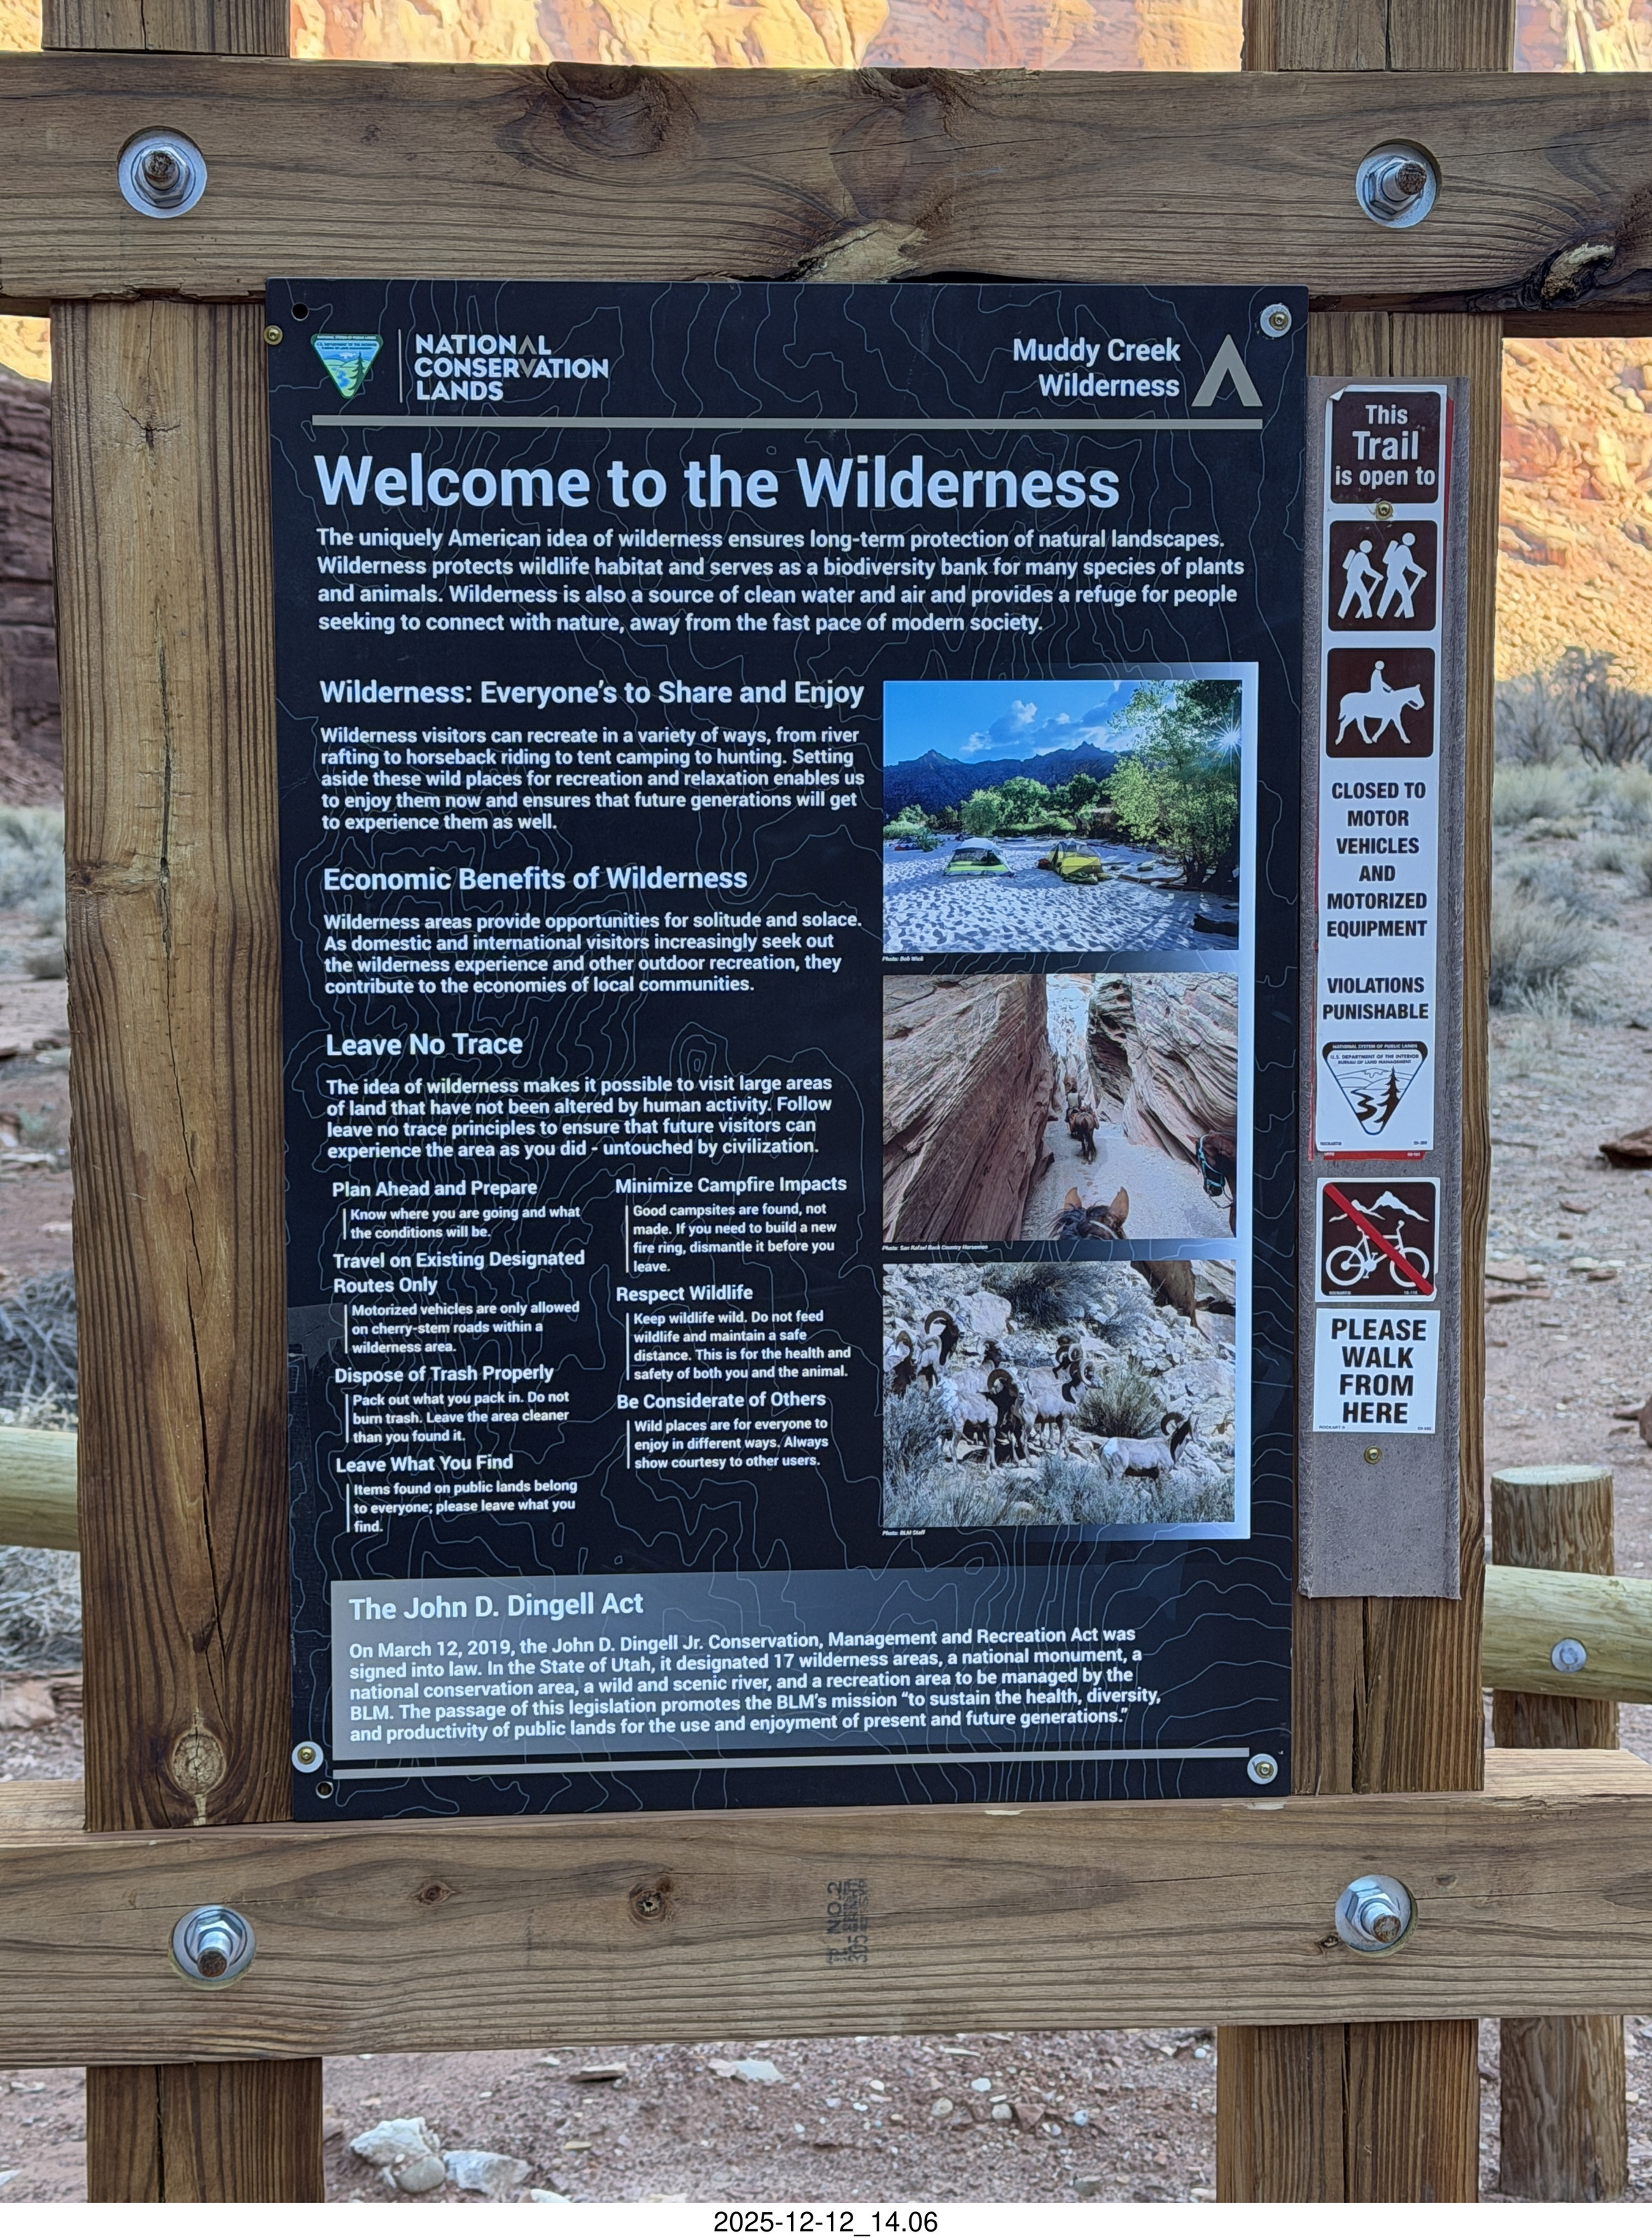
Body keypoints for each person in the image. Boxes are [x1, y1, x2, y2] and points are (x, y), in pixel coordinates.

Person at [1377, 530, 1427, 620]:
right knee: (1405, 594)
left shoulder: (1398, 549)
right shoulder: (1404, 550)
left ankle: (1380, 614)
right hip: (1397, 575)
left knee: (1388, 594)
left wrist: (1420, 571)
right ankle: (1409, 615)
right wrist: (1421, 571)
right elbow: (1410, 565)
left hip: (1392, 575)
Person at [1338, 538, 1379, 620]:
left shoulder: (1358, 555)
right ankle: (1368, 616)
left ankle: (1341, 614)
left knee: (1348, 596)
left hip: (1351, 577)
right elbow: (1367, 570)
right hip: (1355, 579)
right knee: (1364, 595)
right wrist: (1378, 575)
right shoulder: (1362, 557)